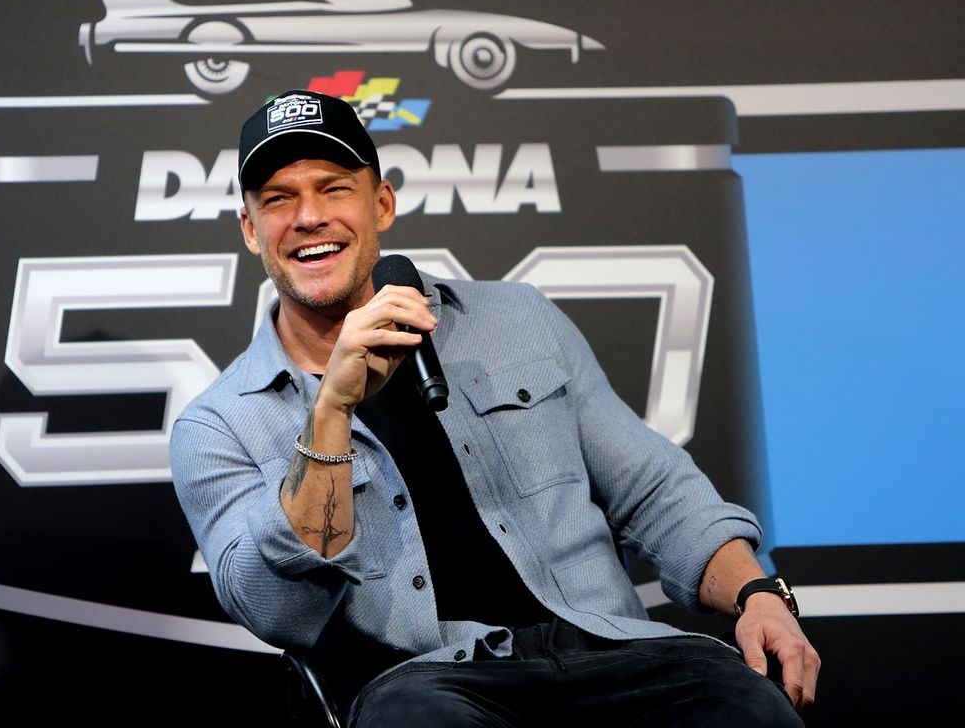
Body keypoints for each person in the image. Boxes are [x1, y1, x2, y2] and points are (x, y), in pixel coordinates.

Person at [171, 90, 820, 726]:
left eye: (333, 187)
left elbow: (652, 488)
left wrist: (756, 592)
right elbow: (276, 612)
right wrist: (332, 409)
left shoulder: (517, 318)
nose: (309, 216)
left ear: (382, 203)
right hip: (433, 686)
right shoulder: (219, 424)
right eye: (279, 200)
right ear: (252, 231)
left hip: (616, 658)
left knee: (747, 708)